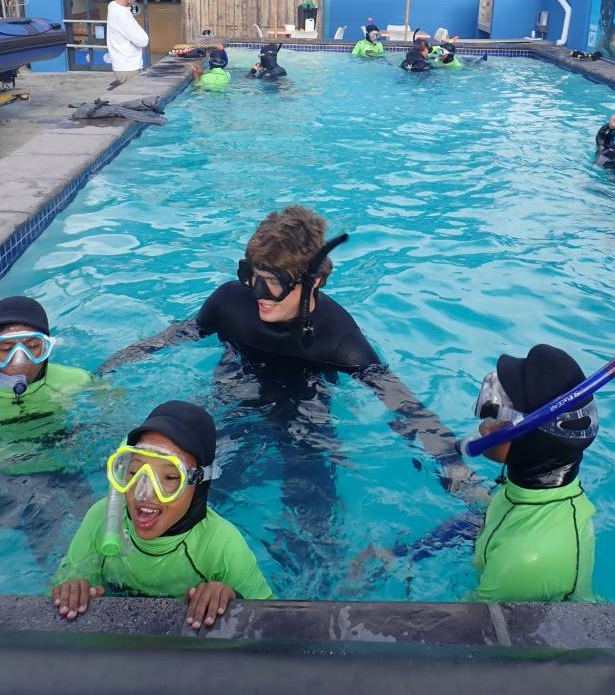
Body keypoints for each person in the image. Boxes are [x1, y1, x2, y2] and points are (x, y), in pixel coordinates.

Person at [99, 207, 480, 581]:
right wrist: (106, 371)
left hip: (305, 419)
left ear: (313, 282)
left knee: (314, 535)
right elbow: (175, 335)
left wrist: (456, 469)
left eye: (273, 281)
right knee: (193, 497)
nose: (258, 292)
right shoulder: (230, 302)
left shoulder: (339, 338)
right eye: (251, 275)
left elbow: (403, 403)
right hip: (235, 402)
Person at [51, 401, 272, 626]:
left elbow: (271, 621)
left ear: (199, 483)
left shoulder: (222, 545)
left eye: (170, 477)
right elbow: (63, 587)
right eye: (135, 472)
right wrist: (72, 589)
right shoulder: (101, 518)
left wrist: (234, 600)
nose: (143, 493)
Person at [0, 296, 95, 565]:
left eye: (33, 347)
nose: (20, 361)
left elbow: (113, 413)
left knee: (96, 525)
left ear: (47, 348)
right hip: (3, 477)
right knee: (44, 530)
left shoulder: (76, 382)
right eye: (5, 349)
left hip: (63, 467)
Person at [461, 344, 599, 602]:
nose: (482, 426)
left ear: (531, 443)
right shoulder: (528, 489)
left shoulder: (525, 560)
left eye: (496, 415)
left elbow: (464, 623)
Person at [106, 0, 149, 86]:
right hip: (129, 69)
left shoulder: (113, 6)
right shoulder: (121, 14)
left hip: (123, 66)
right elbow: (143, 41)